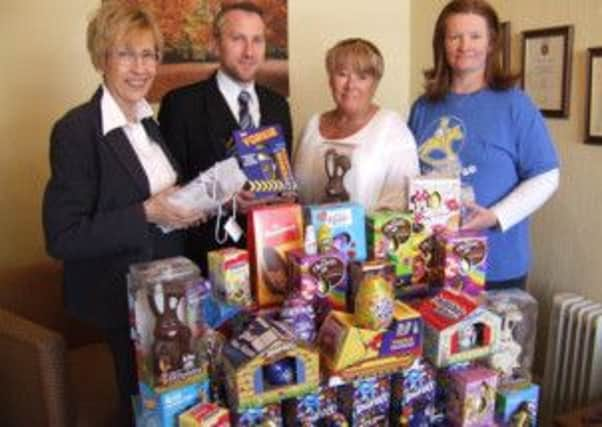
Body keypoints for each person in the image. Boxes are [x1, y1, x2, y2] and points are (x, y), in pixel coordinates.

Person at [42, 2, 205, 425]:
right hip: (120, 307)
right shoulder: (77, 131)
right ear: (101, 59)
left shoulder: (148, 123)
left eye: (149, 54)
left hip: (169, 296)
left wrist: (188, 206)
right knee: (142, 414)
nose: (141, 67)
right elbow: (63, 236)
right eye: (126, 54)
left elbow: (156, 198)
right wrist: (147, 212)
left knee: (180, 409)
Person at [408, 0, 559, 289]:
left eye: (475, 36)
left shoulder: (515, 104)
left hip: (496, 265)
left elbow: (546, 176)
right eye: (455, 37)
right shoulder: (423, 107)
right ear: (442, 44)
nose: (465, 46)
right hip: (431, 263)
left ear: (491, 43)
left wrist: (495, 216)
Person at [158, 2, 293, 271]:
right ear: (215, 43)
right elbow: (169, 195)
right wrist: (222, 200)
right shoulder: (181, 105)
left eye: (257, 40)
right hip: (205, 262)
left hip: (271, 259)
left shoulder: (278, 105)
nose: (249, 51)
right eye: (238, 39)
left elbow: (283, 176)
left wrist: (284, 195)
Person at [293, 38, 419, 212]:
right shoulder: (312, 126)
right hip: (309, 237)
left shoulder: (392, 129)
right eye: (342, 74)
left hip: (369, 238)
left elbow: (402, 203)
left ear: (375, 83)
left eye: (362, 77)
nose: (351, 85)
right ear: (330, 80)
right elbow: (294, 195)